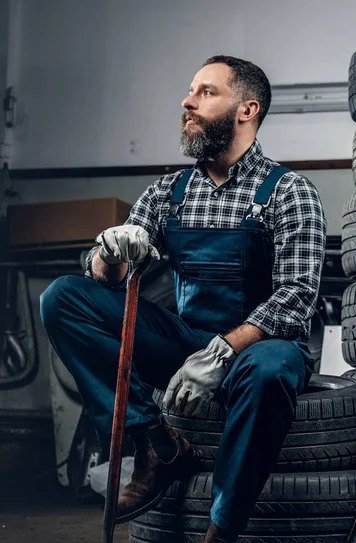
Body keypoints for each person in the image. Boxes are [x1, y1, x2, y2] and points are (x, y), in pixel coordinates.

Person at [40, 55, 327, 543]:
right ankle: (155, 444)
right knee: (63, 297)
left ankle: (222, 528)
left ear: (246, 109)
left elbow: (296, 297)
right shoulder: (166, 193)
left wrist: (224, 351)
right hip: (185, 342)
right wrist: (110, 252)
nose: (187, 101)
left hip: (257, 348)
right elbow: (110, 279)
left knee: (272, 368)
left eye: (206, 92)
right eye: (191, 90)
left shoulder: (289, 193)